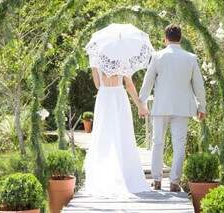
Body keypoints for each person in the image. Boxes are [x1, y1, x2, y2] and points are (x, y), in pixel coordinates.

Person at [138, 24, 206, 192]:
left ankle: (157, 180)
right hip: (183, 108)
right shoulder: (190, 58)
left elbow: (148, 82)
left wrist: (142, 102)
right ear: (180, 38)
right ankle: (174, 182)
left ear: (165, 38)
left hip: (161, 106)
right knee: (179, 145)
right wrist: (201, 106)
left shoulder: (157, 56)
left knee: (157, 142)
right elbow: (199, 85)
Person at [84, 68, 150, 197]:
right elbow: (129, 85)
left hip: (104, 98)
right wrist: (140, 105)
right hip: (119, 97)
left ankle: (103, 176)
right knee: (123, 136)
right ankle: (126, 175)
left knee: (104, 137)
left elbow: (97, 85)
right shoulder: (122, 59)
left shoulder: (96, 58)